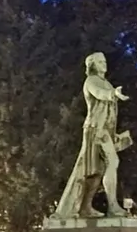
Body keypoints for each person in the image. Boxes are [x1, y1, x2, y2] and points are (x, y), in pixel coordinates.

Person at [52, 52, 132, 219]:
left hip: (105, 130)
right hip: (95, 129)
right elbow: (99, 94)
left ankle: (85, 207)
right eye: (100, 62)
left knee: (97, 170)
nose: (104, 64)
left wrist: (114, 133)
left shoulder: (106, 82)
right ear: (93, 65)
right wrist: (113, 95)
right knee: (112, 162)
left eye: (104, 61)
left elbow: (109, 113)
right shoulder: (91, 81)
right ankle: (113, 207)